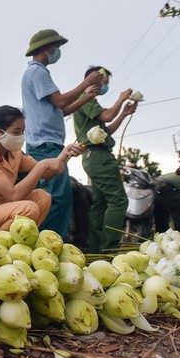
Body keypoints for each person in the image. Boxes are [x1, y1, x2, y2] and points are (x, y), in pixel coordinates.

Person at [21, 29, 103, 238]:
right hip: (44, 144)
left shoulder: (38, 72)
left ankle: (48, 242)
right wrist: (85, 83)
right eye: (56, 47)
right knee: (56, 197)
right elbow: (60, 101)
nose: (57, 51)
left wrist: (86, 96)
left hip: (47, 143)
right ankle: (49, 243)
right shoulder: (37, 72)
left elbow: (61, 109)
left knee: (57, 196)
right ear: (47, 47)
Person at [0, 106, 84, 232]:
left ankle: (20, 241)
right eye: (16, 132)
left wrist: (65, 153)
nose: (21, 136)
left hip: (3, 208)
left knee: (43, 197)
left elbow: (48, 173)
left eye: (23, 131)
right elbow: (14, 195)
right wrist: (41, 165)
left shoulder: (14, 153)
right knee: (28, 209)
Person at [72, 66, 137, 253]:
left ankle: (95, 249)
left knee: (100, 204)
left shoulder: (87, 102)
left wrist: (123, 113)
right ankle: (109, 248)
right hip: (98, 157)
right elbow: (107, 116)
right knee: (118, 201)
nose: (104, 86)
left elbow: (106, 130)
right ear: (93, 80)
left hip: (93, 156)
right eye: (103, 82)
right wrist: (121, 98)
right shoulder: (86, 99)